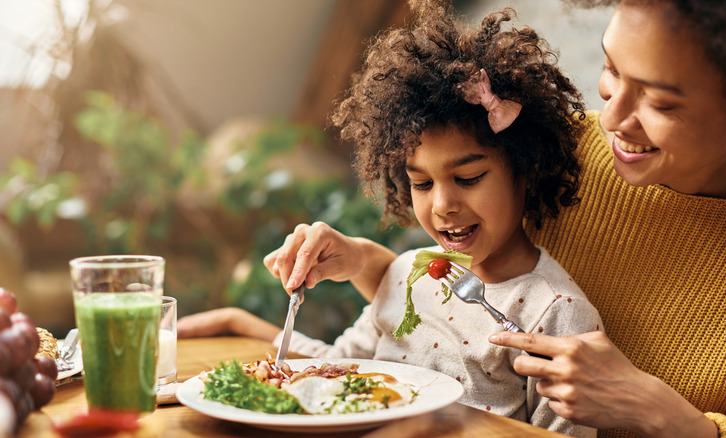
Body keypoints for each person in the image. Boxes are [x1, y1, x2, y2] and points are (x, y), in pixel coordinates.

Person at [255, 0, 726, 437]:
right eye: (612, 71)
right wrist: (368, 261)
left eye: (661, 102)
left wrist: (662, 414)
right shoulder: (560, 147)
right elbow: (468, 315)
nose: (614, 120)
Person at [178, 1, 603, 435]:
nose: (441, 206)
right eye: (421, 184)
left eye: (469, 177)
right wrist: (243, 327)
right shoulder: (408, 276)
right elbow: (337, 371)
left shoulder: (555, 313)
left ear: (526, 169)